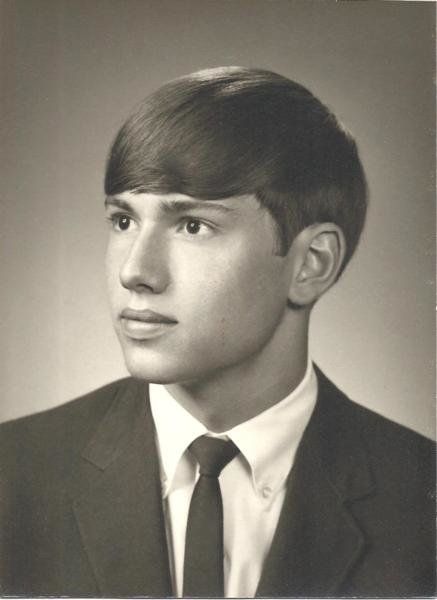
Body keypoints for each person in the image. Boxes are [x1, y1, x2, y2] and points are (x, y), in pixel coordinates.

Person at [0, 67, 435, 598]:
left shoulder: (421, 498)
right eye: (123, 220)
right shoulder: (12, 475)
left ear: (311, 264)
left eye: (192, 225)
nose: (135, 271)